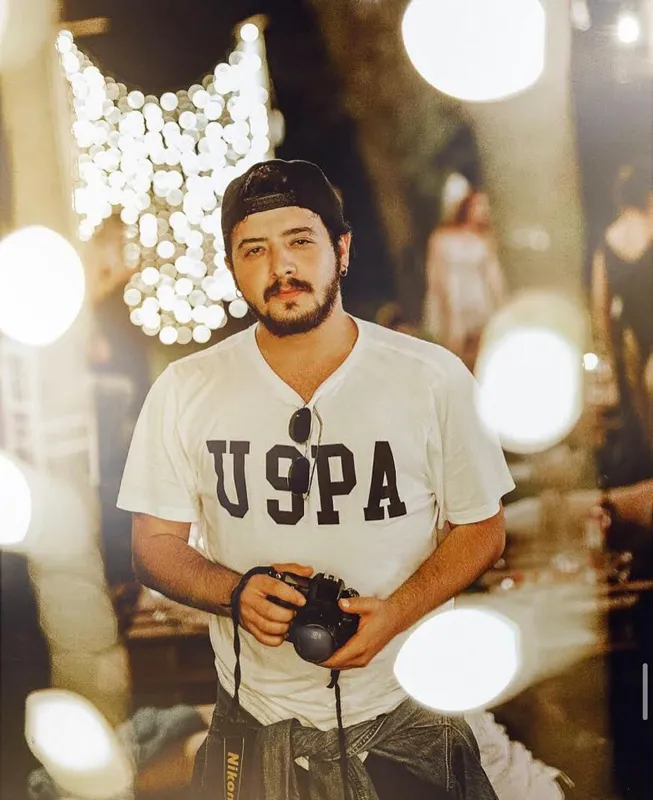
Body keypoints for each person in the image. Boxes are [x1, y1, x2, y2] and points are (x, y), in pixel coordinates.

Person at [117, 159, 562, 798]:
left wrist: (396, 613)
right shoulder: (186, 389)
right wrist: (234, 592)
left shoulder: (431, 377)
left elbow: (481, 529)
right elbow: (153, 545)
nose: (280, 267)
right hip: (258, 726)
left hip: (410, 713)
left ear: (342, 250)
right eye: (254, 250)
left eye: (300, 241)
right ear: (233, 267)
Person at [591, 164, 653, 461]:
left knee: (643, 413)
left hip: (631, 341)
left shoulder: (607, 241)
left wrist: (611, 351)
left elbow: (600, 304)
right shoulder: (650, 229)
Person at [422, 190, 505, 371]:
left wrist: (501, 304)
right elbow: (435, 273)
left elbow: (493, 275)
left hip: (477, 300)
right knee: (453, 349)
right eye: (479, 205)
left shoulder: (484, 239)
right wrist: (443, 305)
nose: (484, 210)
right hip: (452, 298)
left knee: (479, 349)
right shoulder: (443, 236)